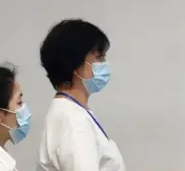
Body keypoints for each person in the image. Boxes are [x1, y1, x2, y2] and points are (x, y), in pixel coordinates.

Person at [36, 19, 125, 171]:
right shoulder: (73, 121)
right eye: (99, 57)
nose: (104, 64)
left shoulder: (72, 112)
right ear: (75, 66)